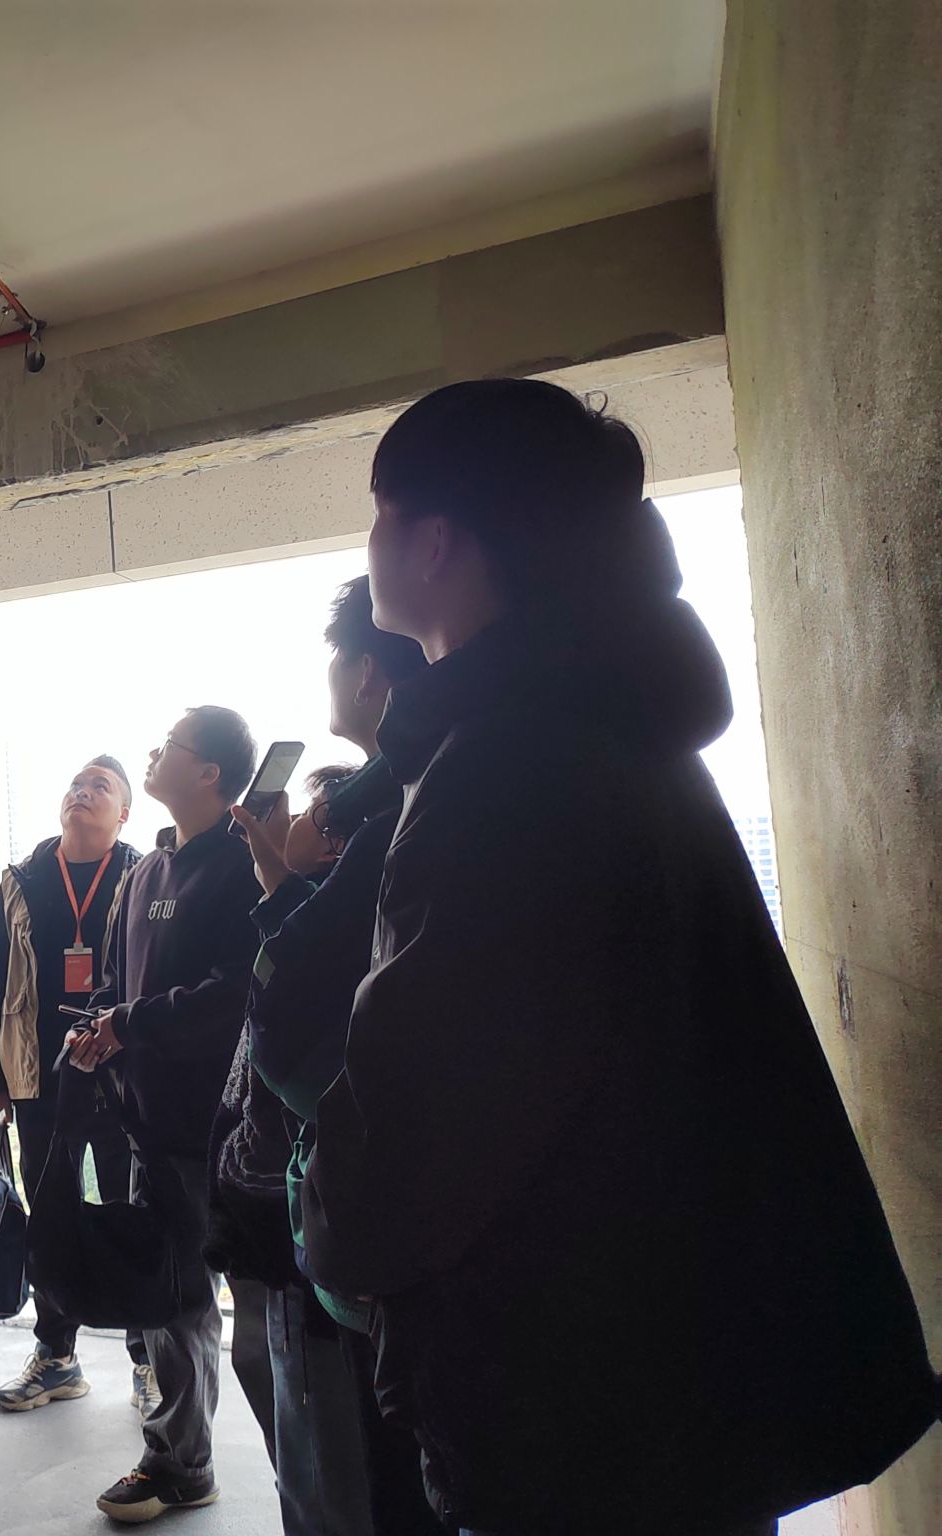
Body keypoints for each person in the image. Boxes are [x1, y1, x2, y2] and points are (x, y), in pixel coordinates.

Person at [303, 380, 934, 1536]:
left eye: (381, 512)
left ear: (435, 541)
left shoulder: (505, 763)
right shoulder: (607, 723)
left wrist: (320, 1208)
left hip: (577, 1390)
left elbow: (429, 1113)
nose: (371, 541)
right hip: (668, 1364)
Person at [210, 577, 437, 1536]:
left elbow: (299, 1022)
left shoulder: (405, 817)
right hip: (338, 1215)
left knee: (352, 1474)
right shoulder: (430, 791)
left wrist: (281, 890)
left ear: (370, 673)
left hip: (353, 1219)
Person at [69, 706, 263, 1524]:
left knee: (201, 1302)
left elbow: (232, 997)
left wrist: (129, 1024)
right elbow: (118, 985)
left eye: (172, 745)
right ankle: (180, 1458)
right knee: (169, 1296)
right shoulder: (147, 871)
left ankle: (186, 1464)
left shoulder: (243, 864)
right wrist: (100, 1030)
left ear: (210, 772)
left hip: (215, 1127)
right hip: (145, 1121)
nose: (154, 752)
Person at [0, 756, 149, 1414]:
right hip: (39, 1079)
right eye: (77, 784)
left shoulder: (141, 874)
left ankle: (146, 1358)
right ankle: (56, 1356)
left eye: (100, 787)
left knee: (129, 1213)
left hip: (119, 1078)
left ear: (123, 813)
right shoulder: (22, 880)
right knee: (50, 1218)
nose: (83, 792)